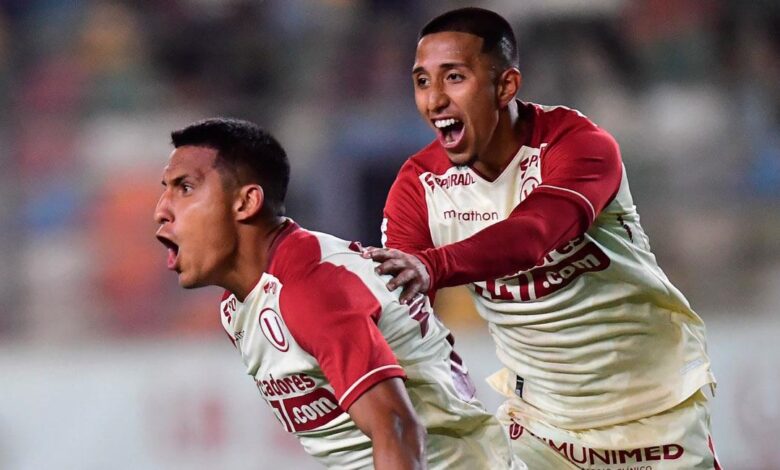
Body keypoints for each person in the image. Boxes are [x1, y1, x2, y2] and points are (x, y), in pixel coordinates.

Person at [366, 7, 721, 470]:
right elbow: (404, 316)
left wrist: (434, 265)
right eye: (422, 81)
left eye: (453, 77)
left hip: (653, 407)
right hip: (539, 425)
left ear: (506, 86)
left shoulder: (580, 145)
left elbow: (534, 234)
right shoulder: (418, 186)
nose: (434, 100)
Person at [153, 118, 520, 470]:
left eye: (185, 187)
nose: (161, 211)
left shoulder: (311, 288)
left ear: (246, 203)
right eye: (165, 189)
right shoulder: (240, 307)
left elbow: (398, 428)